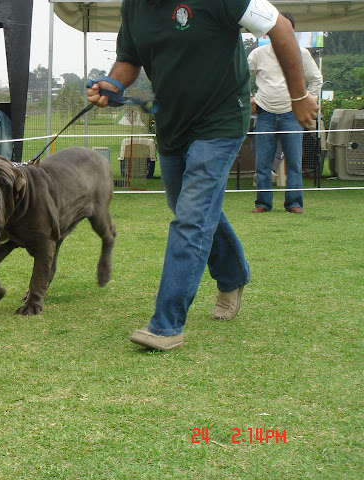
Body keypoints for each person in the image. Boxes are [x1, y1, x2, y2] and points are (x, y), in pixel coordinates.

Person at [86, 0, 318, 351]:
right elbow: (129, 59)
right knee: (188, 205)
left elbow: (281, 28)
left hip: (222, 118)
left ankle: (166, 325)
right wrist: (113, 84)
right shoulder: (133, 5)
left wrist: (299, 95)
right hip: (171, 121)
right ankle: (233, 275)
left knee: (191, 216)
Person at [249, 12, 323, 214]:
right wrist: (247, 97)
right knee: (262, 163)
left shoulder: (301, 53)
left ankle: (294, 203)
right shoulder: (258, 54)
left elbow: (316, 79)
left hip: (292, 114)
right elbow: (240, 74)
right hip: (265, 114)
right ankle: (262, 203)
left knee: (294, 162)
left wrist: (308, 100)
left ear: (292, 31)